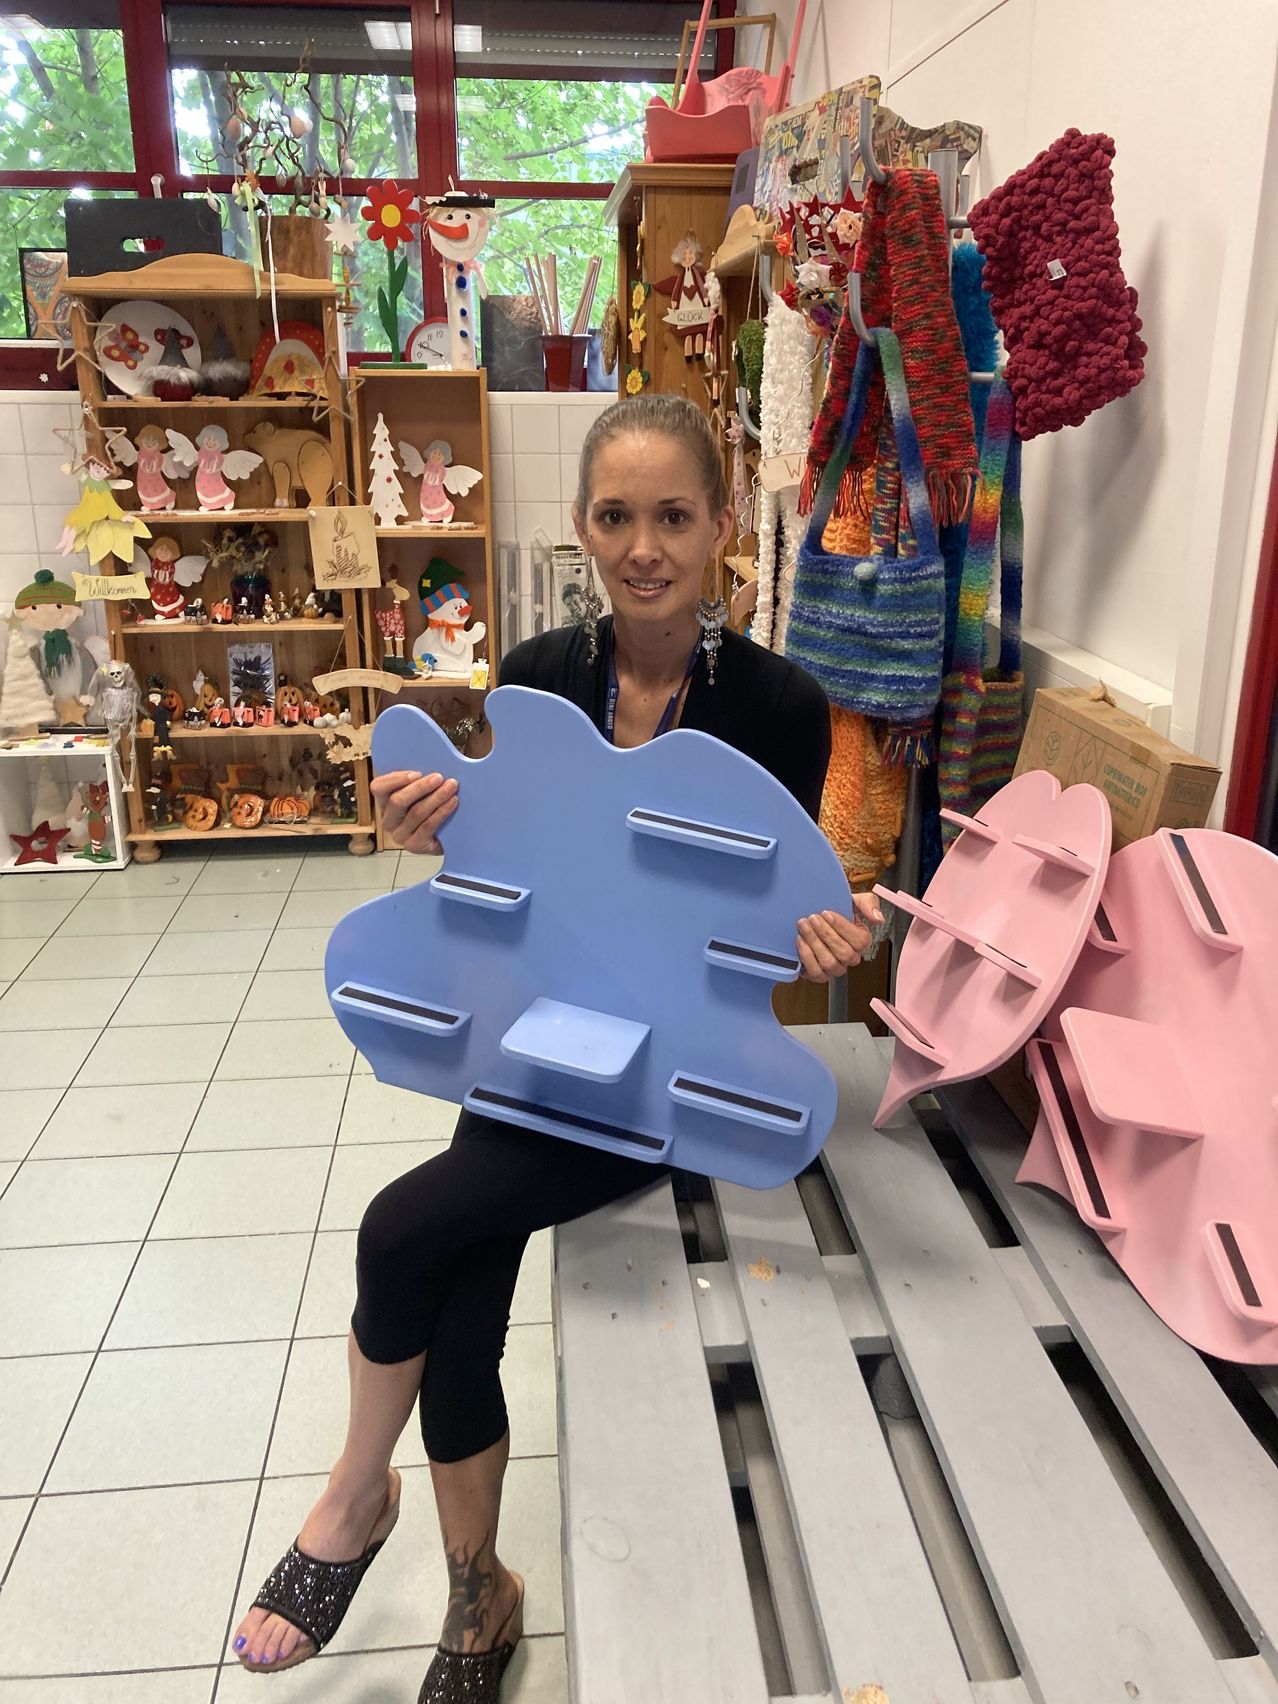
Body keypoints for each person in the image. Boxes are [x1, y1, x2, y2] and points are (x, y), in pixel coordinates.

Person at [231, 394, 880, 1698]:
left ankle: (358, 1496)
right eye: (615, 516)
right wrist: (421, 829)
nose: (644, 547)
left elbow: (763, 929)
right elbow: (492, 884)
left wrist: (820, 947)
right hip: (529, 1043)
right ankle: (480, 1602)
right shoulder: (535, 679)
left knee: (402, 1229)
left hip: (663, 1074)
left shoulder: (779, 706)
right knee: (461, 1318)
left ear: (716, 529)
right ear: (583, 525)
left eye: (673, 517)